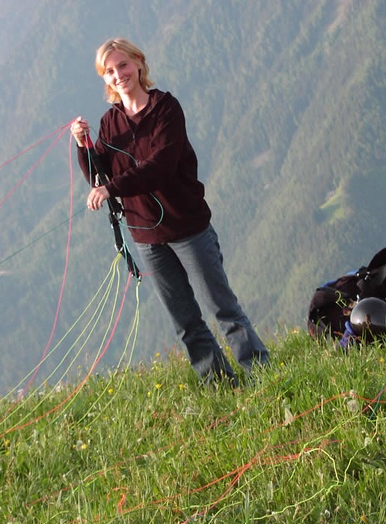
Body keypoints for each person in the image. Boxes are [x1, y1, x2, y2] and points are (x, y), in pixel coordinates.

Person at [71, 38, 269, 386]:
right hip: (147, 236)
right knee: (184, 320)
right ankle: (220, 385)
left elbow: (159, 167)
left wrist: (110, 188)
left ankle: (264, 375)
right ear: (105, 78)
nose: (119, 75)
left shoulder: (166, 109)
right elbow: (99, 175)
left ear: (139, 64)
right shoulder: (109, 123)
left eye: (124, 65)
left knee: (223, 309)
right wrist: (84, 145)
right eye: (110, 71)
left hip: (189, 228)